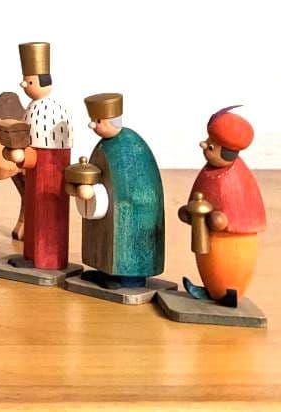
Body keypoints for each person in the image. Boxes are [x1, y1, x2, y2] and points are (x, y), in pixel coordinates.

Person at [69, 93, 164, 289]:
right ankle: (105, 271)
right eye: (92, 120)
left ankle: (130, 279)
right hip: (110, 209)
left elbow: (135, 185)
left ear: (113, 121)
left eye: (98, 121)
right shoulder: (105, 144)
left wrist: (124, 200)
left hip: (131, 212)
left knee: (126, 242)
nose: (92, 125)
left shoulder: (130, 145)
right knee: (105, 236)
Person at [178, 106, 266, 306]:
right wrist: (189, 212)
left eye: (211, 146)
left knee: (227, 262)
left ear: (228, 154)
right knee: (208, 259)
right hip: (206, 235)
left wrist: (222, 220)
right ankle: (213, 290)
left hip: (232, 241)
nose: (203, 145)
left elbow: (241, 212)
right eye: (208, 141)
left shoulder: (237, 177)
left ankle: (229, 292)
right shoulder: (209, 171)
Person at [3, 42, 73, 271]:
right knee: (33, 213)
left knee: (46, 217)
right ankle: (31, 255)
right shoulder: (32, 107)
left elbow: (43, 153)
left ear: (44, 82)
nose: (24, 84)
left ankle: (45, 259)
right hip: (36, 174)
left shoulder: (49, 110)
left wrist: (22, 156)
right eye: (25, 80)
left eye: (30, 81)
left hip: (49, 174)